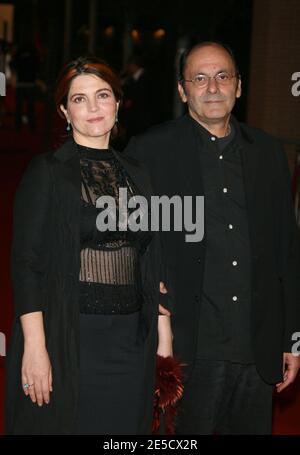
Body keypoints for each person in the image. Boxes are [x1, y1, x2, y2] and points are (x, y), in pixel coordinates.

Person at [125, 41, 300, 434]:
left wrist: (291, 338)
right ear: (183, 90)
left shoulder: (268, 153)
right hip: (188, 348)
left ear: (239, 86)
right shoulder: (150, 151)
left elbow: (287, 251)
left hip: (256, 350)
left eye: (223, 76)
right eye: (199, 79)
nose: (213, 87)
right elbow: (128, 245)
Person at [5, 56, 173, 435]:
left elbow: (150, 256)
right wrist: (35, 348)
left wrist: (164, 338)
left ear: (117, 102)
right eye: (79, 99)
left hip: (132, 341)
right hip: (72, 338)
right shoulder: (46, 172)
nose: (94, 108)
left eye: (102, 95)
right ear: (65, 110)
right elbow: (26, 263)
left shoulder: (139, 174)